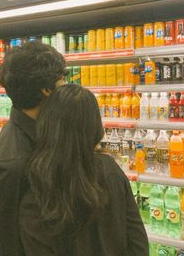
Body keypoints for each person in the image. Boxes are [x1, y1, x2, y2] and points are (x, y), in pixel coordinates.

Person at [19, 84, 149, 256]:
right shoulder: (109, 169)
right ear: (95, 125)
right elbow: (137, 240)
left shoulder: (37, 179)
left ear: (46, 124)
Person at [0, 41, 67, 256]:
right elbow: (5, 244)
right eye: (62, 81)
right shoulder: (13, 164)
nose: (65, 88)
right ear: (46, 90)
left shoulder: (38, 135)